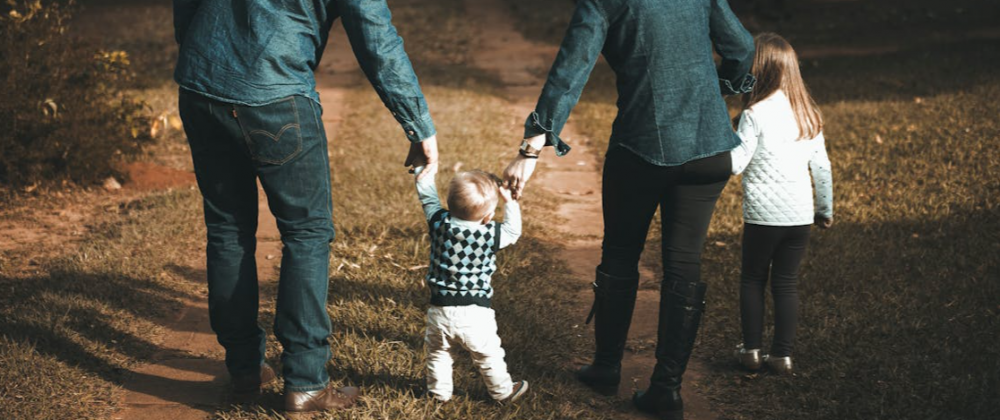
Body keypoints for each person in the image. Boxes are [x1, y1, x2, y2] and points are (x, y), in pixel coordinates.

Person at [172, 0, 439, 414]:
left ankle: (244, 370)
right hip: (276, 94)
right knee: (307, 233)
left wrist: (199, 50)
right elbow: (376, 36)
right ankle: (306, 382)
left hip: (201, 83)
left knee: (227, 228)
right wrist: (418, 123)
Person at [502, 0, 755, 418]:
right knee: (684, 265)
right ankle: (667, 390)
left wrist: (533, 145)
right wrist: (718, 91)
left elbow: (571, 71)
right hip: (710, 146)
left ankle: (606, 368)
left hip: (643, 146)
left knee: (620, 254)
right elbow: (742, 48)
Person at [730, 32, 834, 375]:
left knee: (753, 280)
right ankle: (782, 356)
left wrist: (720, 144)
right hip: (800, 216)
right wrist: (824, 210)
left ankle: (751, 352)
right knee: (786, 283)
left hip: (762, 217)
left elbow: (736, 164)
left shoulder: (755, 114)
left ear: (757, 71)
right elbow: (821, 167)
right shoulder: (808, 114)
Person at [413, 168, 529, 403]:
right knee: (488, 355)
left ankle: (438, 393)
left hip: (440, 310)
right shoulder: (490, 234)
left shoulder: (439, 223)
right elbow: (513, 231)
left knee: (438, 353)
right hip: (476, 313)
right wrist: (510, 203)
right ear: (487, 217)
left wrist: (423, 170)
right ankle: (503, 392)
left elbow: (427, 197)